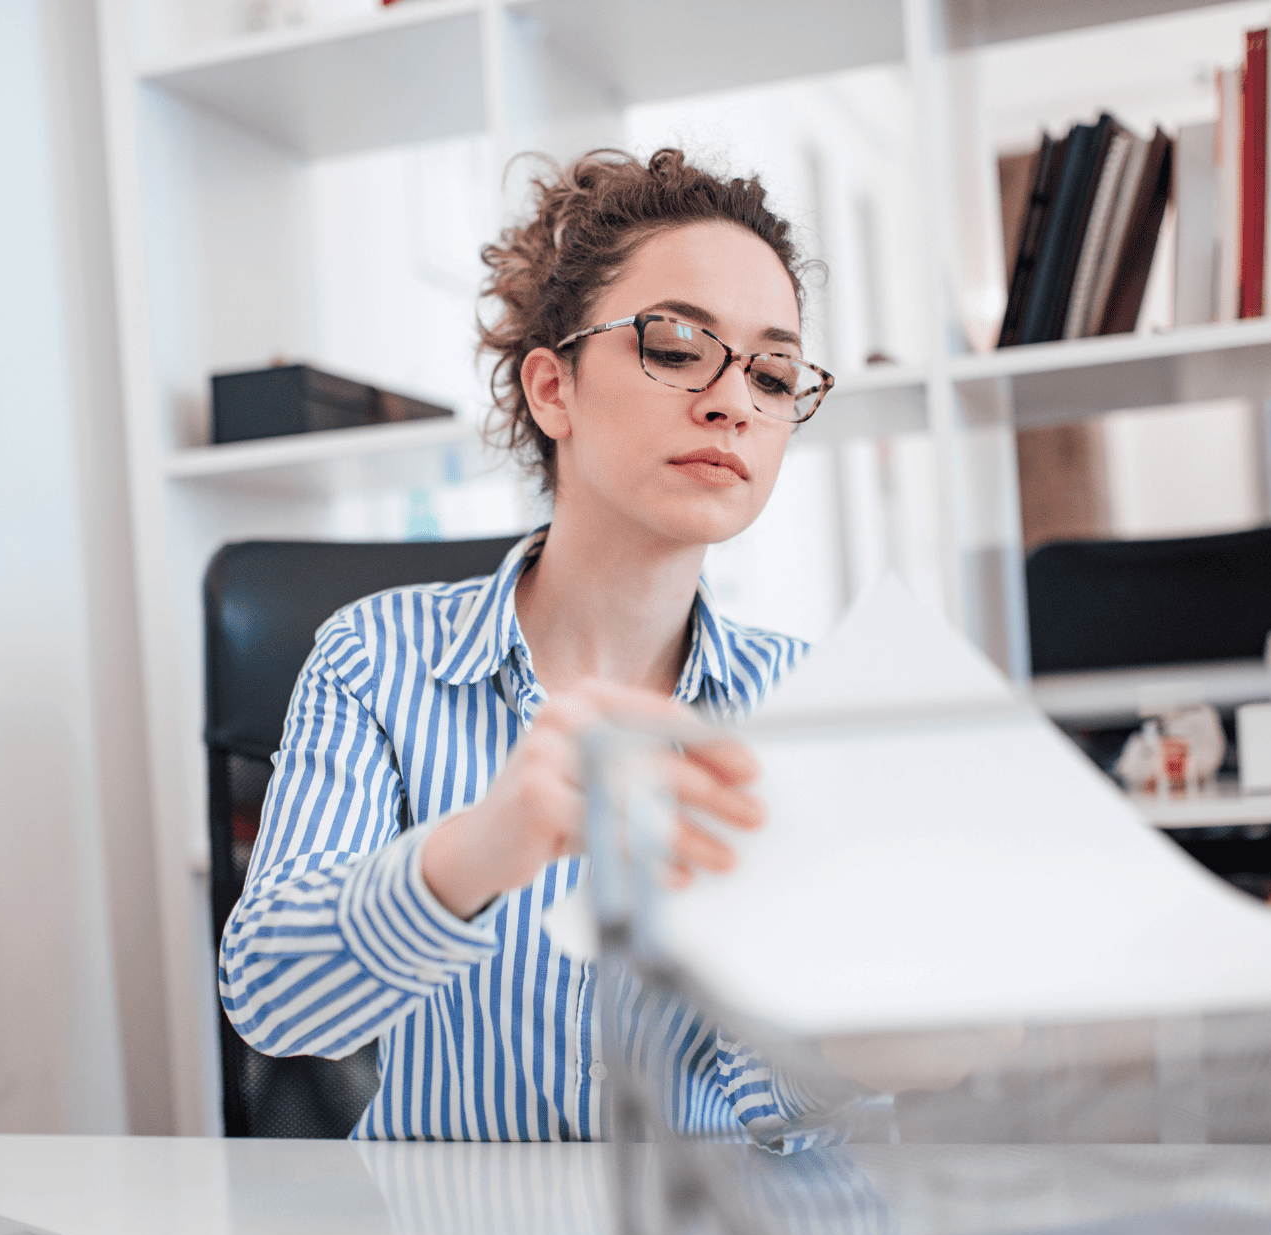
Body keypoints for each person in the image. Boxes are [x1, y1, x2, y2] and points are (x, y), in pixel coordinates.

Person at [219, 148, 837, 1146]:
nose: (736, 402)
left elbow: (786, 1120)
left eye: (773, 371)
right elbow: (276, 1006)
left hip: (708, 1228)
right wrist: (475, 851)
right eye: (677, 345)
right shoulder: (374, 658)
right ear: (553, 390)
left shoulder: (804, 699)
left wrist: (864, 1048)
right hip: (449, 1231)